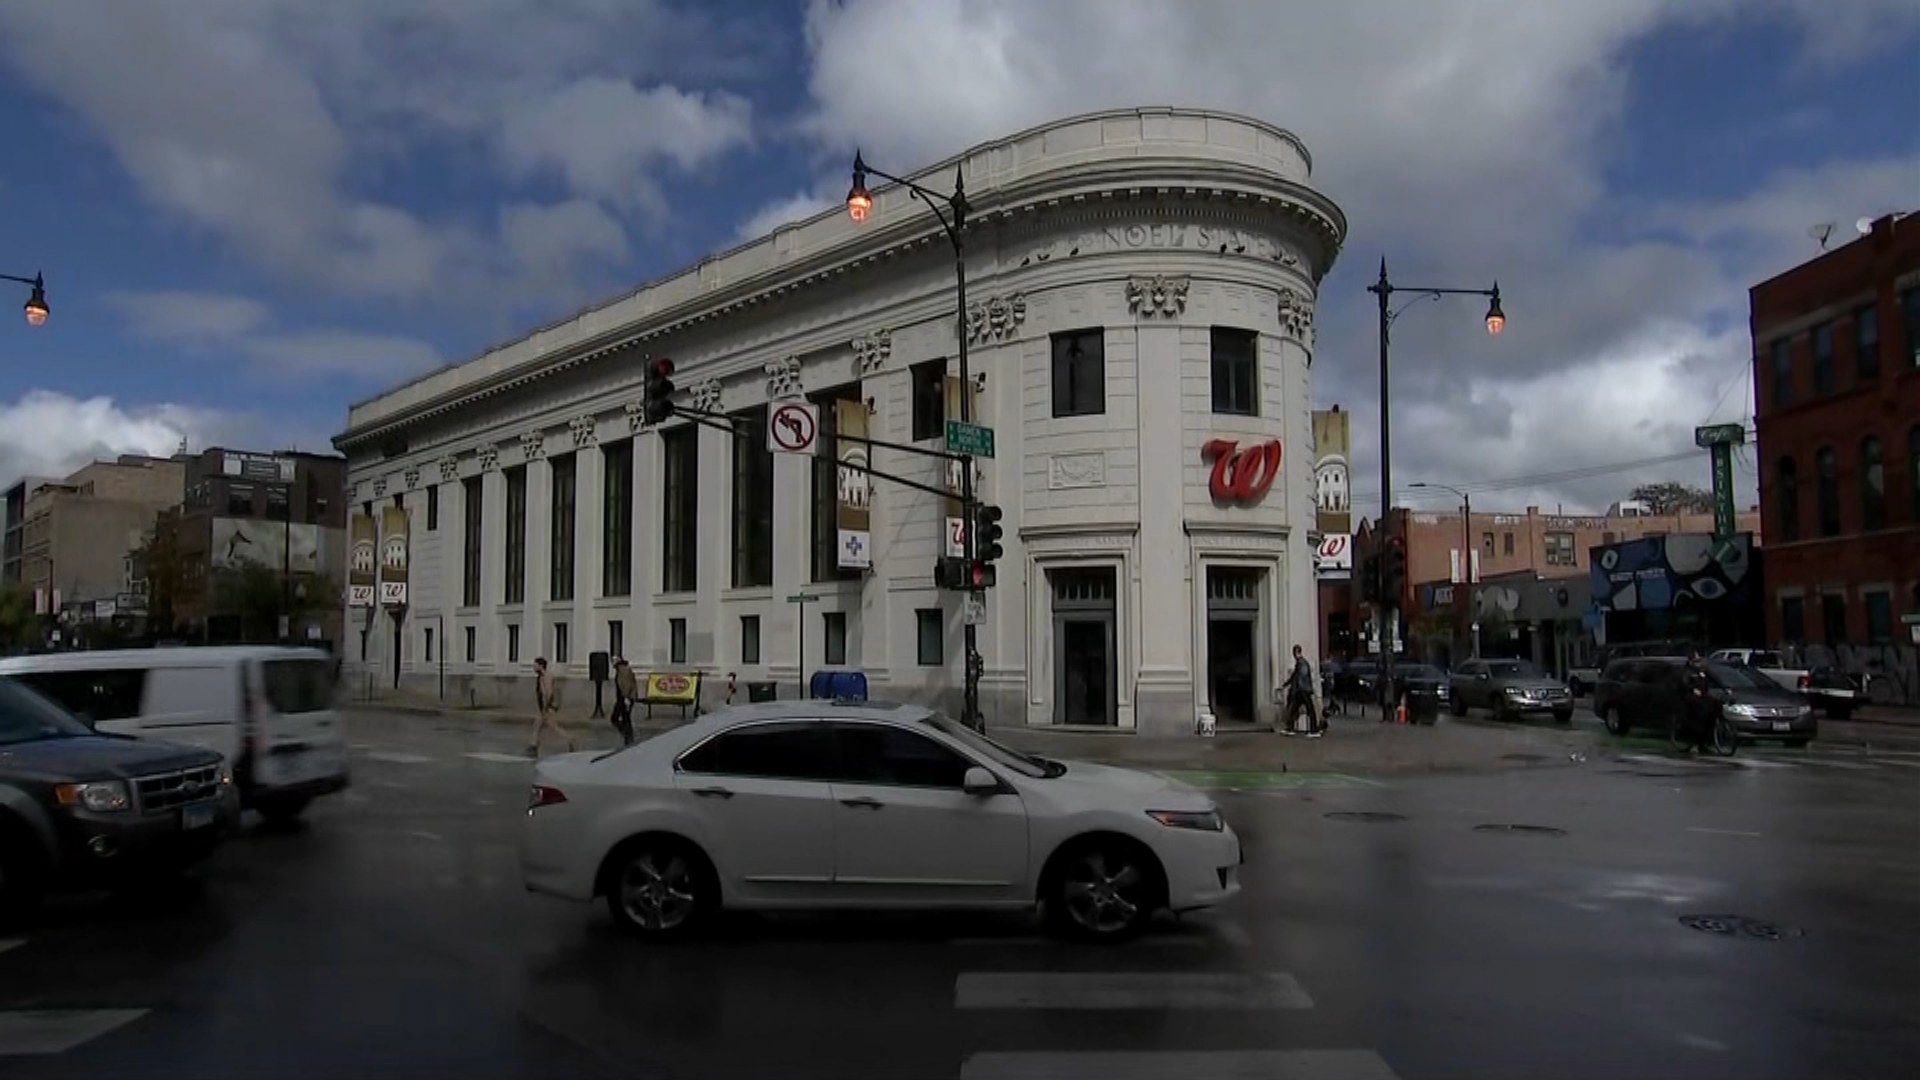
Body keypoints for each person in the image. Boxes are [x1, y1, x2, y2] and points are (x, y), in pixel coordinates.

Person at [528, 657, 575, 758]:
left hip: (548, 707)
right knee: (537, 726)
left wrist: (545, 708)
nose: (534, 667)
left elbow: (549, 693)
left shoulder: (547, 677)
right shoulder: (540, 677)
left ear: (541, 666)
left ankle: (570, 739)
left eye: (535, 665)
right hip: (543, 707)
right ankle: (534, 746)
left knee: (553, 727)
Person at [1678, 649, 1716, 752]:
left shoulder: (1702, 671)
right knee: (1700, 713)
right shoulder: (1687, 671)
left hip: (1703, 695)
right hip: (1690, 697)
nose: (1698, 663)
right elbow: (1684, 683)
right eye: (1696, 661)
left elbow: (1713, 679)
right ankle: (1695, 740)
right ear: (1691, 661)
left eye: (1699, 660)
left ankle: (1707, 741)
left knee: (1714, 706)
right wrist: (1692, 689)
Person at [1283, 644, 1323, 738]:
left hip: (1303, 690)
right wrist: (1287, 684)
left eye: (1294, 652)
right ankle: (1290, 728)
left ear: (1297, 652)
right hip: (1302, 690)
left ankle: (1313, 730)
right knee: (1295, 709)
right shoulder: (1300, 663)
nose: (1293, 655)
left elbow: (1299, 677)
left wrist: (1295, 688)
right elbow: (1295, 676)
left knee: (1309, 709)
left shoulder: (1302, 663)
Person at [610, 657, 638, 747]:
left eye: (613, 661)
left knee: (622, 718)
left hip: (625, 698)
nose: (612, 663)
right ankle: (628, 736)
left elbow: (626, 685)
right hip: (622, 698)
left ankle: (628, 737)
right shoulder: (621, 669)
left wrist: (626, 698)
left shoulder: (623, 670)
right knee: (621, 718)